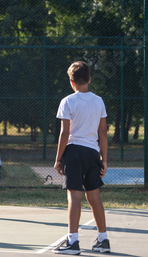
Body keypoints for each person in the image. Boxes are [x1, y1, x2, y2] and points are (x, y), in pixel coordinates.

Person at [52, 61, 110, 254]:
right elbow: (103, 133)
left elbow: (64, 134)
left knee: (74, 197)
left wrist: (58, 158)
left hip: (74, 153)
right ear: (89, 79)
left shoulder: (67, 101)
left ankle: (73, 242)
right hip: (93, 152)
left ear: (71, 81)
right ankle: (103, 240)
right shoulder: (99, 101)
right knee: (94, 197)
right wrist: (104, 159)